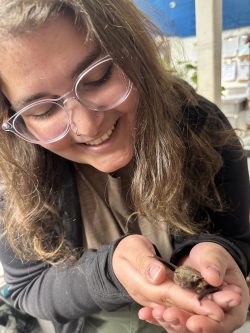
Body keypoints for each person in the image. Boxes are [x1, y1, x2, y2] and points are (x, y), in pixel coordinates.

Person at [0, 1, 249, 333]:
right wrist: (108, 273)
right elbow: (27, 287)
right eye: (43, 111)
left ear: (133, 51)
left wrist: (219, 256)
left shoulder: (199, 124)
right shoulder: (13, 176)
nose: (87, 126)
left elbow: (236, 236)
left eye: (98, 76)